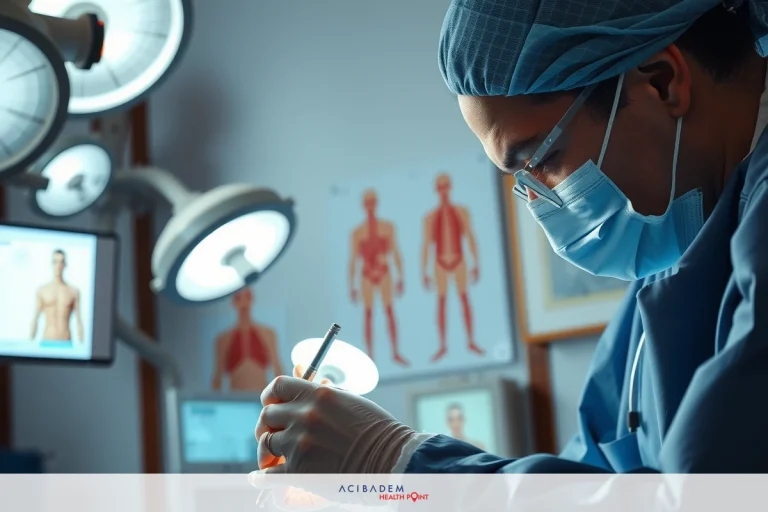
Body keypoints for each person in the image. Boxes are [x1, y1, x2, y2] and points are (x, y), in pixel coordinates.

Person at [252, 0, 768, 474]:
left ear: (660, 81)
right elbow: (598, 477)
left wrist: (397, 462)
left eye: (541, 160)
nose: (541, 202)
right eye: (519, 181)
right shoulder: (674, 260)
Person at [421, 173, 483, 361]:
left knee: (464, 299)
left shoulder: (461, 212)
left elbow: (470, 237)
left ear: (450, 187)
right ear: (436, 190)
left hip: (459, 260)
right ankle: (442, 345)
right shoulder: (430, 217)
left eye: (446, 186)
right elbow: (426, 245)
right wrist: (424, 271)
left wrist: (476, 263)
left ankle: (471, 341)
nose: (443, 191)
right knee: (441, 302)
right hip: (440, 262)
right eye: (440, 187)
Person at [349, 189, 409, 366]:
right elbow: (353, 259)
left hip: (384, 273)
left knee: (389, 311)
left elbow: (396, 252)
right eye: (367, 202)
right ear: (363, 205)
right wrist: (352, 286)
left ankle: (395, 352)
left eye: (372, 202)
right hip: (366, 275)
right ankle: (369, 355)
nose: (370, 206)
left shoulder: (387, 227)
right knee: (368, 314)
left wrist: (400, 278)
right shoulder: (357, 232)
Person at [211, 287, 284, 392]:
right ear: (233, 303)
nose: (243, 303)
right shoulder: (223, 339)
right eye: (239, 298)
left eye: (247, 297)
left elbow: (278, 370)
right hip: (236, 400)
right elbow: (217, 378)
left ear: (252, 300)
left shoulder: (268, 334)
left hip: (261, 397)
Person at [30, 249, 83, 343]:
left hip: (66, 342)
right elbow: (35, 319)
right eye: (55, 262)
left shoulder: (73, 291)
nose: (58, 265)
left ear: (65, 265)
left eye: (61, 262)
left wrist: (83, 346)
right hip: (46, 341)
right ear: (51, 264)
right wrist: (29, 344)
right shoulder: (42, 290)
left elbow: (79, 321)